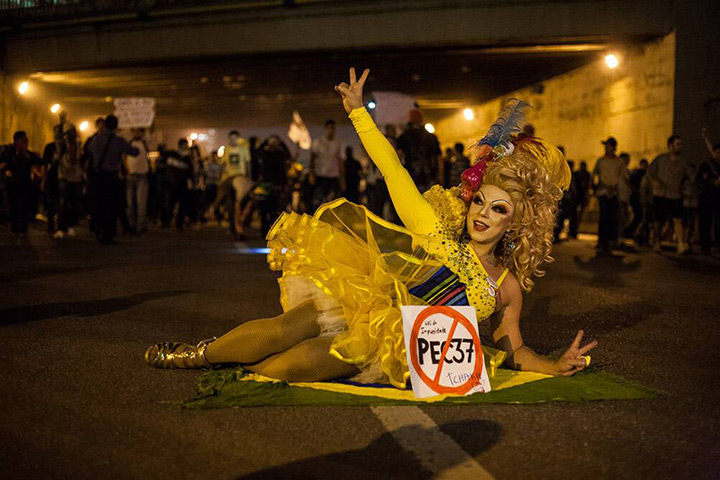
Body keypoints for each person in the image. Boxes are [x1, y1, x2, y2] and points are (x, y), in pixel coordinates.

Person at [144, 68, 596, 387]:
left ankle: (240, 368)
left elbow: (515, 349)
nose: (481, 213)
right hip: (361, 300)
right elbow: (392, 168)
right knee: (281, 330)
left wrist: (555, 366)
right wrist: (359, 113)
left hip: (392, 346)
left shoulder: (507, 286)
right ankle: (195, 355)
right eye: (480, 200)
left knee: (292, 367)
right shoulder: (438, 229)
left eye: (498, 210)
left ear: (518, 222)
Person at [90, 115, 139, 244]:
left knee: (99, 204)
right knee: (111, 206)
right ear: (116, 126)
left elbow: (90, 151)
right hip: (111, 176)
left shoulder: (96, 139)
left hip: (98, 175)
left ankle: (98, 230)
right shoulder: (118, 141)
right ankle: (108, 235)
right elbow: (134, 152)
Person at [648, 135, 693, 254]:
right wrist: (657, 183)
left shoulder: (682, 162)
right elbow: (650, 172)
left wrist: (685, 188)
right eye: (677, 144)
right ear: (670, 145)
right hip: (660, 195)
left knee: (678, 219)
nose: (680, 147)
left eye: (681, 144)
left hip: (675, 195)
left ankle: (681, 244)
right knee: (658, 220)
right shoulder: (660, 159)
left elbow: (690, 175)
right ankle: (656, 242)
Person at [0, 131, 41, 237]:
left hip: (25, 183)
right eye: (23, 140)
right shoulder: (8, 152)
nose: (25, 142)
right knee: (14, 206)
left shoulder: (27, 153)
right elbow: (4, 163)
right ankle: (15, 229)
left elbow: (37, 161)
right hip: (12, 183)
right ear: (17, 140)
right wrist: (6, 171)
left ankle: (22, 229)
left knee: (24, 206)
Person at [215, 130, 252, 239]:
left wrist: (248, 177)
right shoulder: (226, 150)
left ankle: (240, 229)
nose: (233, 140)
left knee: (241, 205)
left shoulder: (243, 149)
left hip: (240, 177)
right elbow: (223, 164)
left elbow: (247, 163)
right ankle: (233, 228)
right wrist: (220, 177)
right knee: (229, 204)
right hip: (229, 179)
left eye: (235, 138)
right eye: (231, 138)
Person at [396, 109, 441, 193]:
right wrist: (440, 177)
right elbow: (438, 158)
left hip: (411, 176)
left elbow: (399, 157)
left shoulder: (404, 136)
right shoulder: (431, 137)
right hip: (429, 176)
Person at [592, 137, 623, 253]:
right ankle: (602, 241)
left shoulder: (619, 162)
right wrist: (594, 187)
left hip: (614, 193)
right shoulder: (601, 161)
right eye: (606, 146)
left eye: (608, 146)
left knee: (612, 218)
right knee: (604, 217)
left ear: (613, 147)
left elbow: (622, 178)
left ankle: (609, 241)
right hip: (603, 192)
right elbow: (594, 175)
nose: (606, 148)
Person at [56, 126, 85, 238]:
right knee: (63, 203)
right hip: (64, 176)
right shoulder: (63, 144)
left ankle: (70, 226)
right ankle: (61, 228)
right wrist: (61, 122)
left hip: (75, 177)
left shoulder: (78, 145)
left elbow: (79, 160)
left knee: (73, 203)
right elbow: (58, 137)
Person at [310, 120, 344, 211]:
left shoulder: (337, 143)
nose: (331, 130)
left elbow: (340, 161)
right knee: (318, 201)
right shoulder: (318, 142)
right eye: (329, 128)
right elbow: (312, 159)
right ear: (325, 129)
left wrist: (342, 178)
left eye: (333, 128)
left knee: (332, 202)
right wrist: (311, 174)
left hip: (333, 177)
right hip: (321, 176)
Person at [162, 139, 194, 231]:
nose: (186, 147)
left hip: (182, 184)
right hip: (172, 183)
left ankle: (179, 223)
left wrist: (191, 182)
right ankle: (167, 221)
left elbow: (190, 171)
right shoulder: (172, 154)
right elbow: (166, 165)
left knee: (182, 204)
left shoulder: (187, 158)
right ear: (180, 145)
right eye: (185, 145)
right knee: (170, 203)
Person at [697, 128, 720, 255]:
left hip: (718, 200)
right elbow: (699, 179)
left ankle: (717, 245)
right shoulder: (706, 165)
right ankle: (705, 246)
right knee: (705, 222)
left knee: (718, 223)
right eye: (716, 153)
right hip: (706, 199)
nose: (718, 155)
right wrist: (712, 182)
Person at [124, 128, 150, 235]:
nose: (137, 133)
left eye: (139, 131)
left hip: (142, 175)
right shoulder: (128, 144)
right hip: (130, 175)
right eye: (134, 131)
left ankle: (140, 226)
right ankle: (131, 225)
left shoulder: (145, 143)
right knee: (130, 203)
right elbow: (124, 158)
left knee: (141, 203)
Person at [569, 161, 592, 239]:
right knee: (575, 215)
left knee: (577, 215)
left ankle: (573, 231)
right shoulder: (579, 174)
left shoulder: (585, 175)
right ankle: (572, 231)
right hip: (577, 197)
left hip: (580, 197)